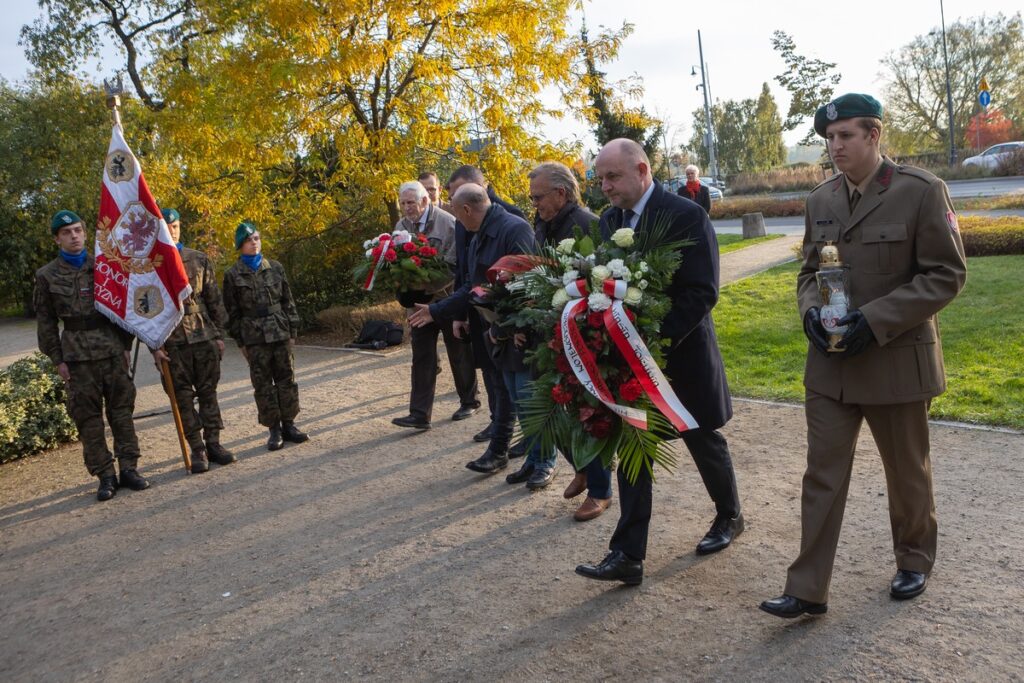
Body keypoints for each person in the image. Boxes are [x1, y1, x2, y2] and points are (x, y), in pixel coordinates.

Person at [760, 94, 967, 618]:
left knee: (906, 472)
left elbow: (946, 275)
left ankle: (915, 558)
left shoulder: (920, 192)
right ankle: (807, 588)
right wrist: (810, 310)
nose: (835, 147)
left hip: (895, 361)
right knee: (822, 474)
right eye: (829, 138)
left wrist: (874, 322)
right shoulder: (820, 200)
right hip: (831, 366)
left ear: (874, 135)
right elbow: (810, 272)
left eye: (845, 136)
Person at [575, 139, 743, 586]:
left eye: (612, 177)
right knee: (634, 447)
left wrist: (650, 341)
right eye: (600, 178)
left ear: (642, 169)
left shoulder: (687, 215)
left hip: (680, 357)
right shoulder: (610, 221)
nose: (605, 187)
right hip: (630, 364)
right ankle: (628, 554)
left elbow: (702, 292)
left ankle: (730, 515)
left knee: (703, 440)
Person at [407, 183, 537, 474]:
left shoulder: (513, 229)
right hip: (495, 326)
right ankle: (501, 452)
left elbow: (529, 283)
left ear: (466, 209)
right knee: (504, 392)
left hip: (518, 328)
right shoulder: (479, 232)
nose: (454, 218)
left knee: (525, 397)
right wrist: (438, 311)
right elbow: (472, 285)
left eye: (455, 210)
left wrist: (513, 326)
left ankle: (541, 462)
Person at [34, 210, 150, 501]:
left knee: (121, 413)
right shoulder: (46, 276)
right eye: (66, 232)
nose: (73, 236)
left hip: (111, 349)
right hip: (77, 356)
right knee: (88, 420)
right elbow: (46, 322)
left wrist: (125, 344)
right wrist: (57, 359)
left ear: (85, 233)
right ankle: (105, 476)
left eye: (77, 230)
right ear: (57, 239)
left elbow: (125, 306)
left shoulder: (105, 265)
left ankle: (129, 469)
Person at [527, 161, 613, 519]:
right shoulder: (544, 224)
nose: (535, 204)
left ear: (561, 193)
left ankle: (601, 489)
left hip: (582, 333)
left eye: (539, 197)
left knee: (588, 411)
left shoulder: (588, 225)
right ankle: (582, 466)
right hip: (552, 329)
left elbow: (601, 280)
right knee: (554, 405)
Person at [444, 165, 527, 448]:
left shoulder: (510, 219)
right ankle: (498, 425)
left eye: (457, 194)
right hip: (481, 311)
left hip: (508, 318)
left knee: (514, 383)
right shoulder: (466, 221)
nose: (455, 203)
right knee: (492, 374)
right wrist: (459, 313)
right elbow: (464, 272)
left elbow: (523, 278)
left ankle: (521, 440)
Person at [150, 208, 235, 473]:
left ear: (180, 226)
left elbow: (214, 300)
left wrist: (219, 336)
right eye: (166, 226)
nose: (171, 229)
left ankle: (214, 443)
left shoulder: (199, 259)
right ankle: (197, 449)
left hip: (203, 336)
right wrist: (154, 347)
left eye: (174, 225)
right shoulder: (147, 265)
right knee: (183, 399)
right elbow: (144, 312)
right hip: (171, 342)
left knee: (209, 394)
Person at [390, 181, 480, 430]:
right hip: (420, 304)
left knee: (458, 351)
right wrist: (404, 289)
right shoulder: (401, 226)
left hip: (447, 300)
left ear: (425, 201)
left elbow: (454, 265)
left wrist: (428, 289)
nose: (407, 208)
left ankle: (469, 401)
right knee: (421, 355)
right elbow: (397, 263)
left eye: (410, 203)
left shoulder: (447, 222)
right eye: (403, 203)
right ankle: (419, 414)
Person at [222, 221, 309, 451]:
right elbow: (232, 312)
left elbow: (287, 301)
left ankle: (289, 424)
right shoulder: (232, 275)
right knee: (263, 384)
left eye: (257, 239)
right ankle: (274, 429)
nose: (254, 243)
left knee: (286, 379)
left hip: (279, 330)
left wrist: (292, 331)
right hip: (254, 336)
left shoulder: (275, 267)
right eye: (249, 240)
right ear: (240, 245)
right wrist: (240, 341)